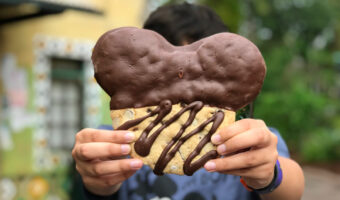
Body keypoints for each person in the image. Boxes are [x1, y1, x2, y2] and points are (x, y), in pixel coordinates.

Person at [72, 3, 304, 200]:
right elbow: (90, 185)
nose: (184, 89)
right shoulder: (115, 143)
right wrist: (99, 181)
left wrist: (269, 174)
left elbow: (291, 190)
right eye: (163, 74)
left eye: (201, 75)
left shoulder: (246, 143)